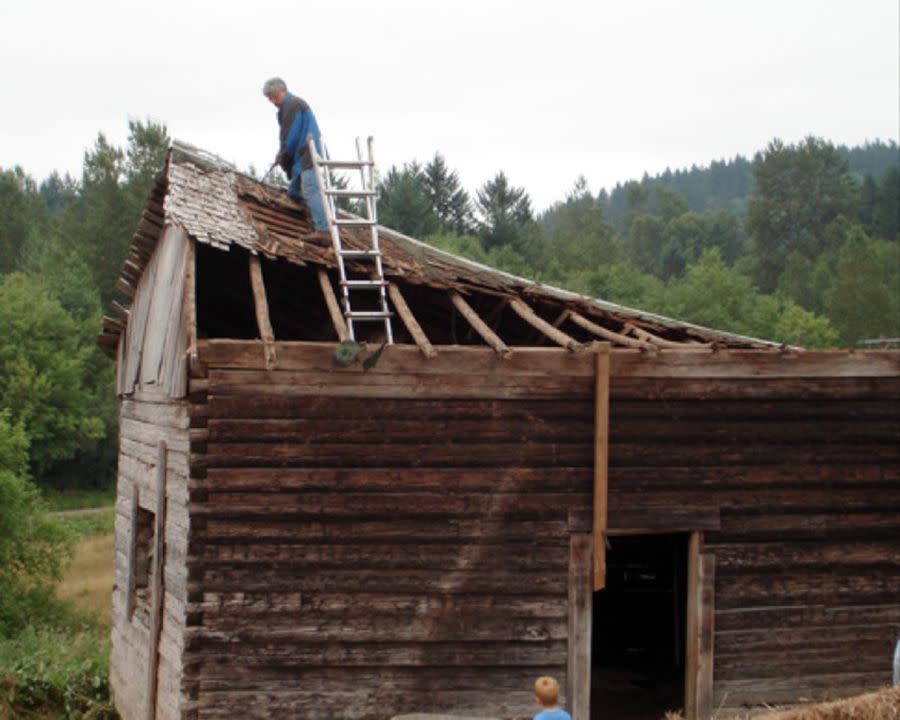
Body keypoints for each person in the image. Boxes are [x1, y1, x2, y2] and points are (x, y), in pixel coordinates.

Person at [262, 77, 329, 234]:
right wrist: (283, 153)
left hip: (309, 154)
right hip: (302, 157)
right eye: (270, 98)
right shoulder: (289, 106)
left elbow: (290, 136)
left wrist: (283, 154)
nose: (272, 101)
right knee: (293, 192)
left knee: (311, 189)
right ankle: (315, 212)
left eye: (274, 96)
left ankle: (323, 230)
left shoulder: (292, 105)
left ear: (283, 90)